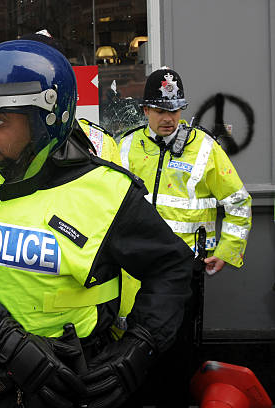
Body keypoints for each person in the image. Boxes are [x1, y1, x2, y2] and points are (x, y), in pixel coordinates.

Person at [0, 39, 193, 408]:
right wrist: (4, 340)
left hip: (77, 378)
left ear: (43, 121)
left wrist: (140, 346)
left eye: (0, 120)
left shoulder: (105, 191)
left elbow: (172, 268)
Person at [118, 67, 252, 406]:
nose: (168, 118)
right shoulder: (126, 147)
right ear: (145, 110)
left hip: (182, 273)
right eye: (161, 110)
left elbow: (238, 201)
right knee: (128, 352)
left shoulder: (204, 148)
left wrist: (227, 249)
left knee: (175, 360)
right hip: (133, 271)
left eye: (175, 109)